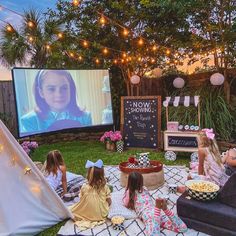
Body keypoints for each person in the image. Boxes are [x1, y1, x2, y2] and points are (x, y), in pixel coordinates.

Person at [21, 69, 92, 134]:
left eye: (64, 88)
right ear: (41, 92)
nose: (59, 94)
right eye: (51, 89)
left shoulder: (85, 117)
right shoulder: (29, 121)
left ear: (71, 89)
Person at [123, 172, 187, 236]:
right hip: (156, 212)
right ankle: (165, 209)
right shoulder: (144, 188)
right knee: (182, 228)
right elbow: (183, 229)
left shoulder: (129, 193)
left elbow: (125, 203)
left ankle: (158, 208)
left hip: (148, 215)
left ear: (129, 183)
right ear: (141, 181)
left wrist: (127, 190)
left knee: (154, 233)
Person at [70, 159, 111, 228]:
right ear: (102, 175)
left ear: (88, 175)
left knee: (72, 210)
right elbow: (109, 201)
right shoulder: (105, 187)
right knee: (105, 204)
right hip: (101, 214)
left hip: (86, 212)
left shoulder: (84, 187)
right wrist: (107, 204)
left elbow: (81, 199)